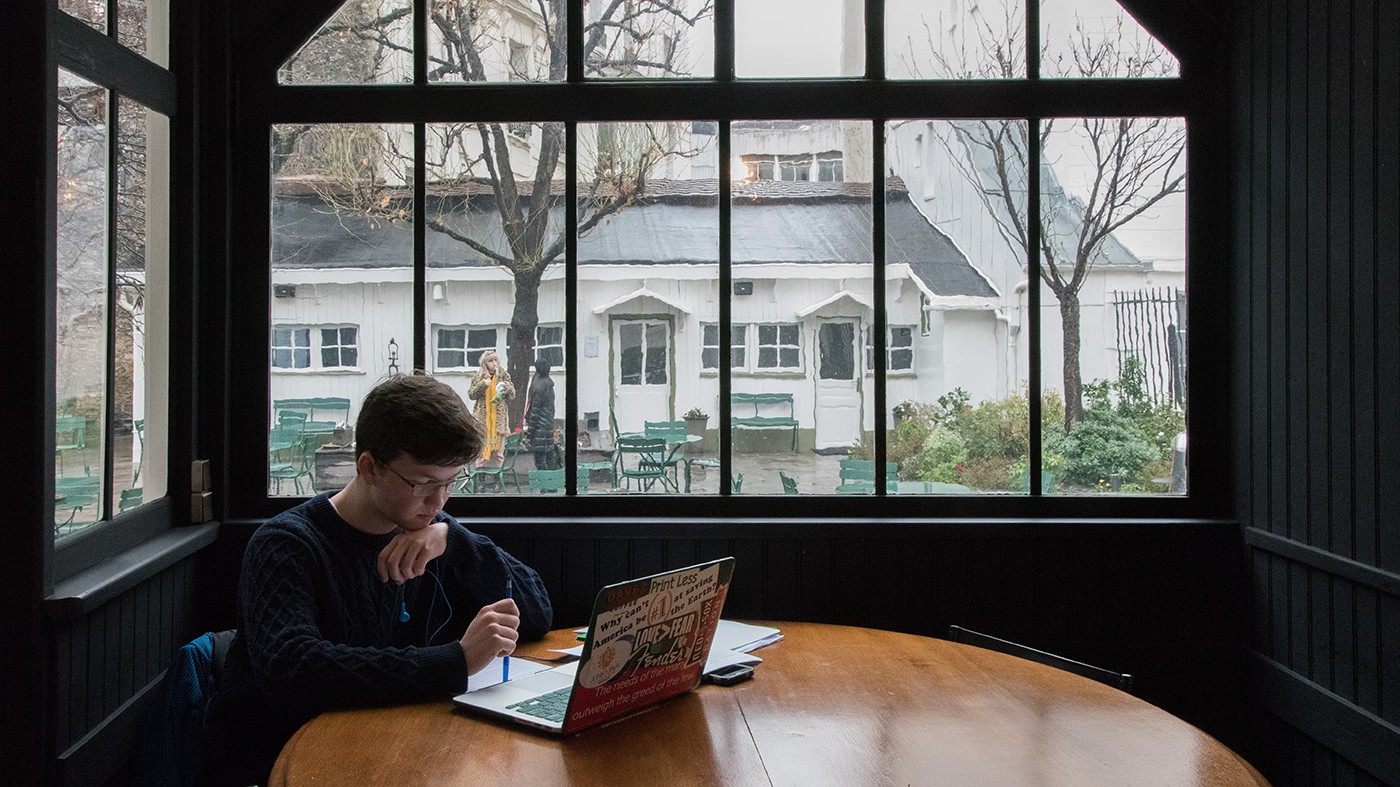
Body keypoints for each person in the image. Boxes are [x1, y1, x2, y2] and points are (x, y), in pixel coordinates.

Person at [203, 372, 552, 785]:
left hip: (395, 751)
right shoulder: (287, 544)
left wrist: (453, 540)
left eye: (450, 483)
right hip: (285, 764)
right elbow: (294, 672)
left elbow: (536, 612)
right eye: (422, 483)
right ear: (369, 467)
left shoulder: (431, 533)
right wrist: (454, 661)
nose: (437, 502)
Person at [467, 349, 515, 468]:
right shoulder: (478, 376)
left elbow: (513, 394)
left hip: (498, 419)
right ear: (485, 363)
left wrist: (506, 388)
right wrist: (483, 385)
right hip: (483, 418)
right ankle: (481, 479)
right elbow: (471, 395)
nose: (494, 363)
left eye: (495, 360)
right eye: (490, 361)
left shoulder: (503, 375)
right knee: (482, 451)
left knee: (499, 452)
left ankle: (496, 480)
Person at [524, 359, 561, 471]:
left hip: (539, 428)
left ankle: (546, 486)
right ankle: (552, 485)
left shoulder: (538, 385)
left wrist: (529, 434)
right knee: (550, 457)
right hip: (547, 425)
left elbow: (534, 412)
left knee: (540, 461)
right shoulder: (548, 383)